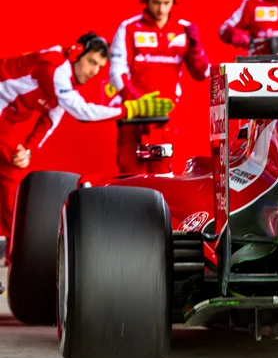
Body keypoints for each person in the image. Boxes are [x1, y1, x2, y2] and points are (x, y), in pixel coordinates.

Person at [0, 32, 174, 255]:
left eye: (99, 67)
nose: (94, 71)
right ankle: (16, 251)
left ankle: (14, 251)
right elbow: (82, 112)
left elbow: (50, 119)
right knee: (10, 178)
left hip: (5, 121)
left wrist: (30, 150)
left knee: (11, 177)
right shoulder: (54, 68)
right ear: (76, 53)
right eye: (91, 62)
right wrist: (129, 109)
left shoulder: (62, 79)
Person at [109, 0, 211, 174]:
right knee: (131, 173)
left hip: (166, 118)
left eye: (166, 3)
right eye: (156, 2)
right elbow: (117, 73)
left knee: (164, 173)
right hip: (134, 115)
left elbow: (202, 73)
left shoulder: (183, 30)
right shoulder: (129, 28)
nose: (161, 9)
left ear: (174, 1)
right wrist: (141, 103)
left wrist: (196, 48)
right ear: (146, 0)